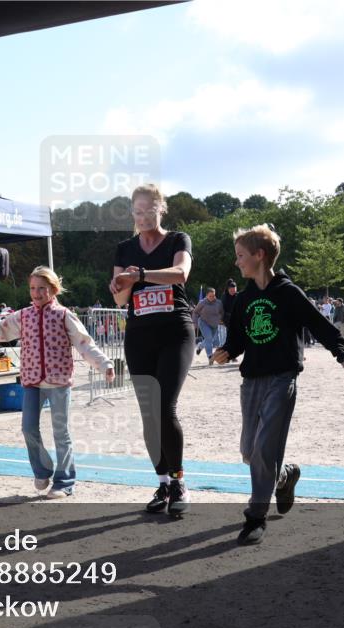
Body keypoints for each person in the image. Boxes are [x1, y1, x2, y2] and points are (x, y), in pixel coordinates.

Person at [212, 225, 344, 545]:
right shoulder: (245, 299)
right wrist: (226, 352)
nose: (237, 263)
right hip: (251, 381)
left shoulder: (288, 293)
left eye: (240, 256)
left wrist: (342, 356)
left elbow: (320, 325)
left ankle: (255, 518)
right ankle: (285, 476)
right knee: (250, 451)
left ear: (259, 256)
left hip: (282, 378)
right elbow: (238, 339)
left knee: (264, 449)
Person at [0, 267, 114, 498]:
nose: (36, 293)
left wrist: (104, 364)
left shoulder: (64, 315)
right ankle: (42, 470)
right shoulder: (23, 315)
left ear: (53, 289)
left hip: (58, 382)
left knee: (61, 432)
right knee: (28, 428)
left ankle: (65, 481)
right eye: (33, 288)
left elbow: (84, 343)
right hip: (32, 382)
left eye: (41, 288)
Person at [110, 184, 195, 516]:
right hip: (140, 335)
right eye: (137, 211)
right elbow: (119, 298)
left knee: (165, 406)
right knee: (149, 412)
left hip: (175, 332)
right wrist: (122, 284)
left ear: (162, 209)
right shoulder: (124, 248)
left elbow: (181, 274)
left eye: (149, 210)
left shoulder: (177, 240)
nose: (143, 217)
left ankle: (178, 481)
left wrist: (141, 275)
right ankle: (162, 482)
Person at [192, 287, 224, 364]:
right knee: (209, 338)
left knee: (208, 339)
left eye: (213, 296)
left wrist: (221, 319)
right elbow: (195, 312)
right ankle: (210, 356)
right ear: (206, 295)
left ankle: (200, 346)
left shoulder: (219, 303)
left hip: (214, 324)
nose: (212, 298)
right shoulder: (202, 302)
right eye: (210, 296)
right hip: (203, 323)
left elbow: (222, 312)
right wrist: (195, 323)